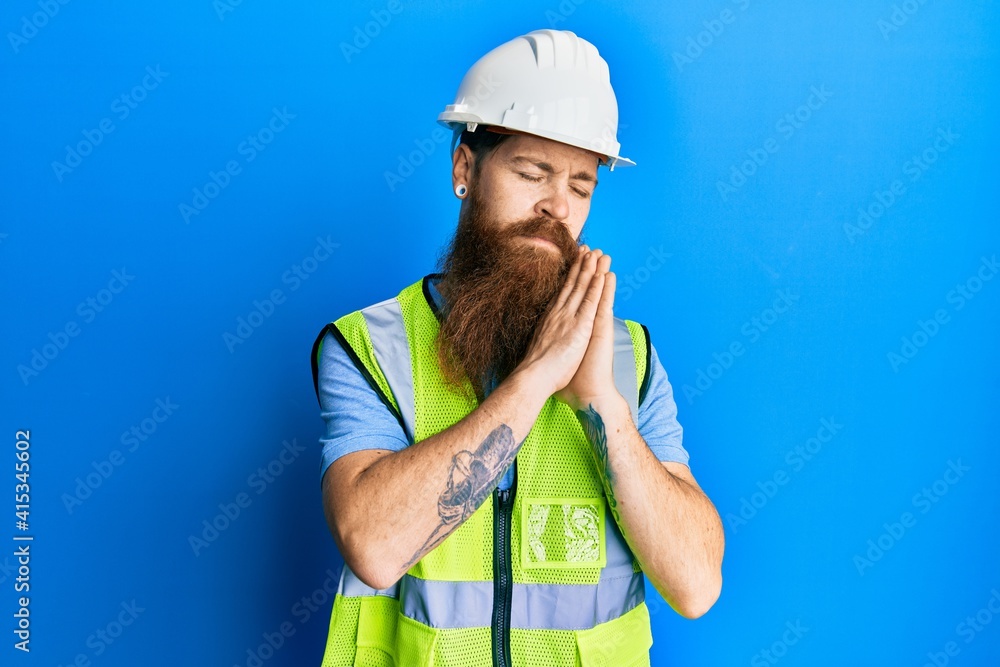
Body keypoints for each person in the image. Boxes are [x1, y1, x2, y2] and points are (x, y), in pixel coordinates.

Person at [310, 28, 724, 667]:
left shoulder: (628, 357)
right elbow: (374, 546)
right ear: (465, 170)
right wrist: (534, 381)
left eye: (581, 186)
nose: (557, 206)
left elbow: (696, 586)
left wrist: (605, 408)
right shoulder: (370, 348)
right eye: (533, 172)